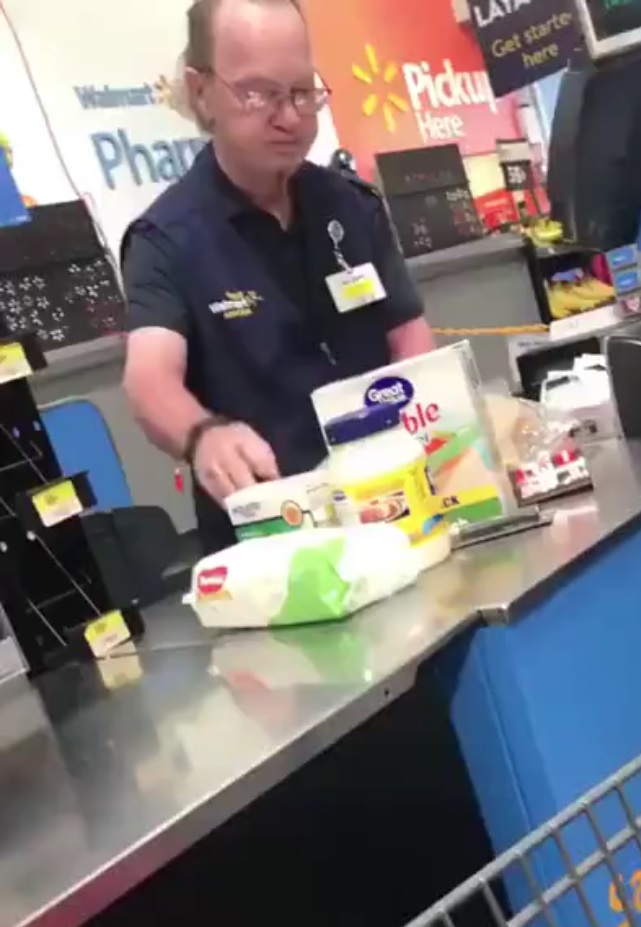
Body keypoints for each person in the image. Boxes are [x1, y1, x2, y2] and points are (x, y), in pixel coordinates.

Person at [121, 0, 434, 554]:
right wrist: (203, 435)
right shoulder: (165, 240)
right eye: (259, 93)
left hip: (394, 507)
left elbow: (407, 335)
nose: (289, 117)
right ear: (200, 91)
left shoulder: (351, 206)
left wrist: (435, 420)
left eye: (302, 91)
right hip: (277, 542)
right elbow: (150, 380)